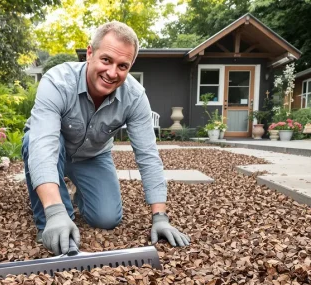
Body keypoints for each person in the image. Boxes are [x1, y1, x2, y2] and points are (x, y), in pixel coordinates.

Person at [22, 21, 190, 255]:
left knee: (107, 218)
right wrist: (55, 213)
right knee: (33, 141)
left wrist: (160, 217)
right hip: (53, 148)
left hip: (92, 157)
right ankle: (51, 211)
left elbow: (148, 156)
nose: (112, 73)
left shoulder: (134, 97)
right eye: (106, 60)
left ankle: (78, 190)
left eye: (123, 66)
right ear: (90, 53)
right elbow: (42, 146)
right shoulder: (58, 81)